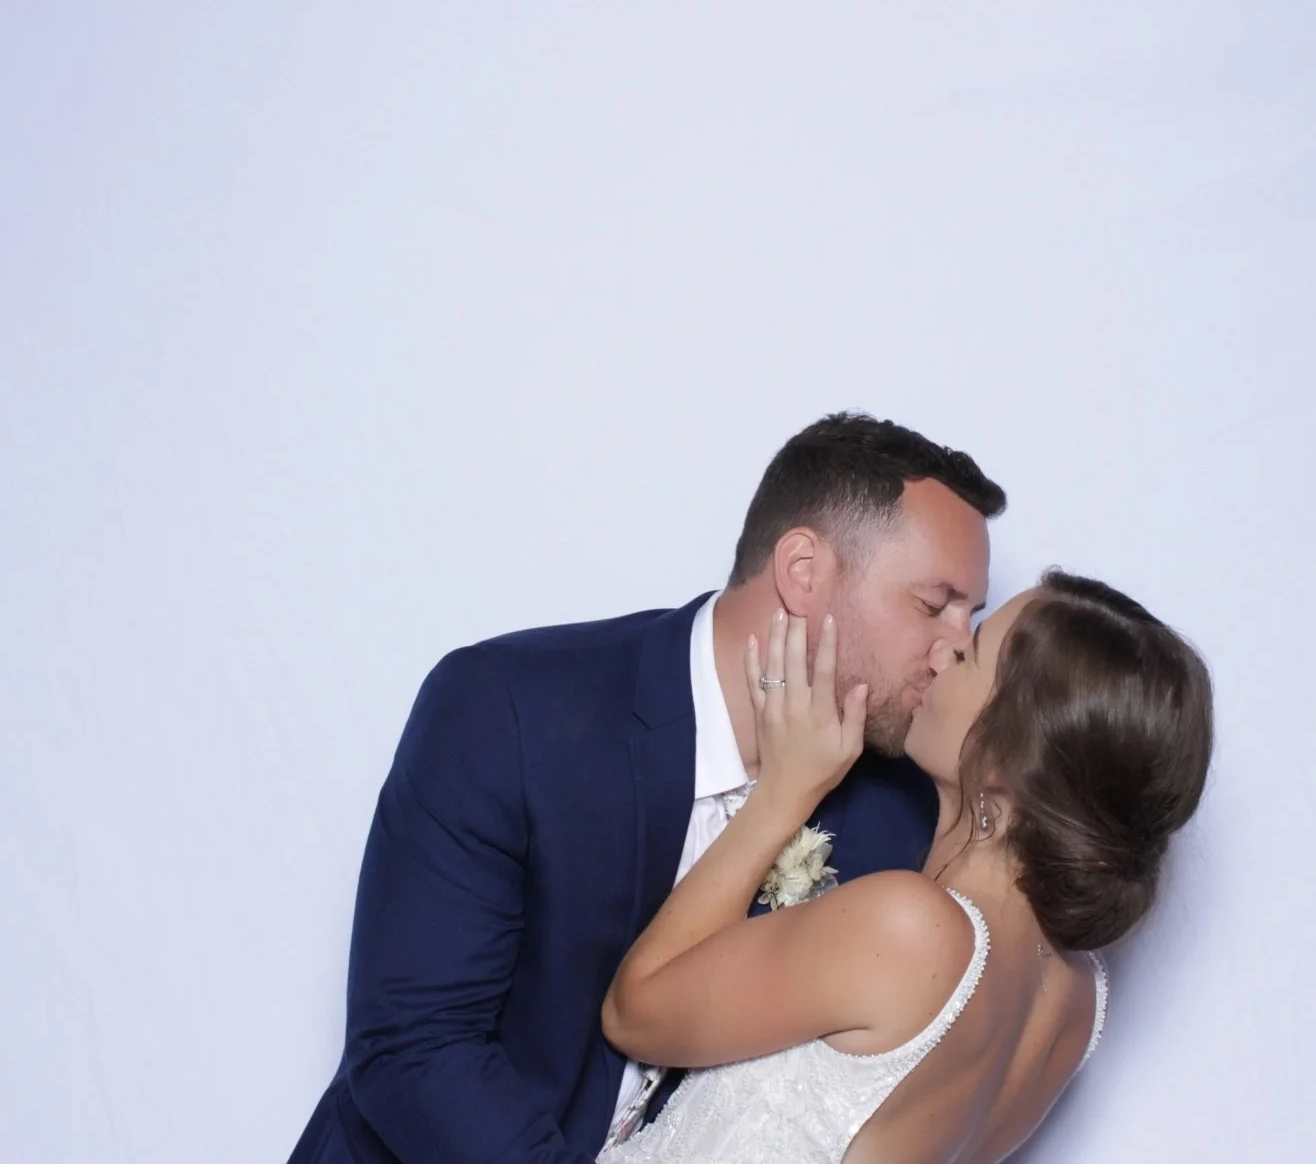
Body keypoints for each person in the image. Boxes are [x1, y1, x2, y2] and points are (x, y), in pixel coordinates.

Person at [287, 412, 1007, 1163]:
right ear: (802, 572)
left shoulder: (896, 821)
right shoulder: (508, 708)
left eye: (972, 617)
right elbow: (412, 1050)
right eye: (932, 605)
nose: (956, 644)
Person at [597, 569, 1214, 1163]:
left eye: (969, 655)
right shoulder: (1077, 1003)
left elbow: (635, 1013)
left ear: (1010, 758)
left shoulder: (912, 929)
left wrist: (782, 794)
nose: (942, 655)